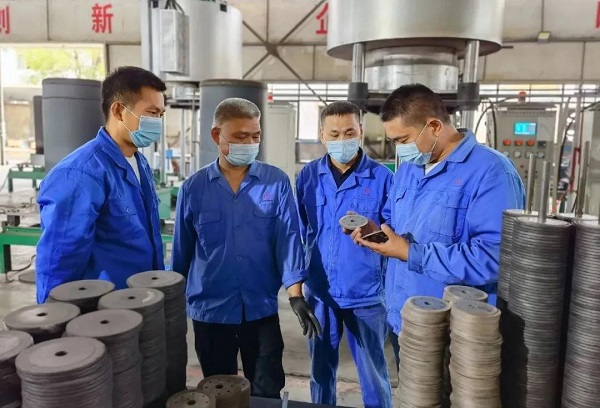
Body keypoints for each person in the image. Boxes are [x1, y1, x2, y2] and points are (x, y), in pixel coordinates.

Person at [351, 83, 526, 371]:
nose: (400, 149)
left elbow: (495, 258)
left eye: (403, 140)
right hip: (405, 319)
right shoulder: (410, 168)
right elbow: (395, 220)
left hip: (455, 331)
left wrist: (411, 253)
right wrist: (378, 230)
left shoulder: (491, 173)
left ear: (433, 126)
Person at [171, 97, 321, 399]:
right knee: (218, 391)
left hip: (260, 307)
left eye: (255, 136)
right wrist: (171, 305)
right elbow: (181, 252)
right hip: (211, 310)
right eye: (240, 137)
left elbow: (288, 239)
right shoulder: (194, 188)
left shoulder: (275, 182)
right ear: (217, 135)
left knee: (266, 390)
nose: (250, 143)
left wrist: (295, 295)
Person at [36, 66, 167, 304]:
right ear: (118, 110)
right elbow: (60, 260)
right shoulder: (80, 173)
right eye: (151, 113)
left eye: (161, 114)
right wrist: (56, 316)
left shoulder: (139, 163)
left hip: (139, 301)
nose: (157, 122)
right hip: (102, 309)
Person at [296, 101, 394, 408]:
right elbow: (297, 234)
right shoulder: (308, 176)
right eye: (334, 134)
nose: (342, 140)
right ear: (322, 136)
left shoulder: (382, 178)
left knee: (374, 375)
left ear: (361, 132)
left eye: (349, 132)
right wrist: (296, 289)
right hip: (320, 292)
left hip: (365, 293)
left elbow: (394, 237)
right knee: (320, 372)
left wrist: (374, 232)